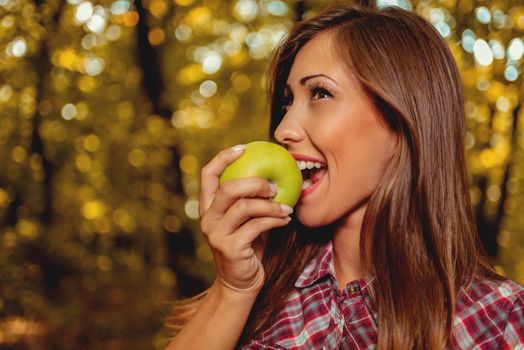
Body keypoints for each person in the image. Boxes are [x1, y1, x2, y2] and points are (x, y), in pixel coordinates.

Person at [165, 3, 524, 349]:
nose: (283, 130)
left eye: (320, 93)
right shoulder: (256, 298)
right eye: (287, 102)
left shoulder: (500, 321)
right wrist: (233, 289)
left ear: (402, 118)